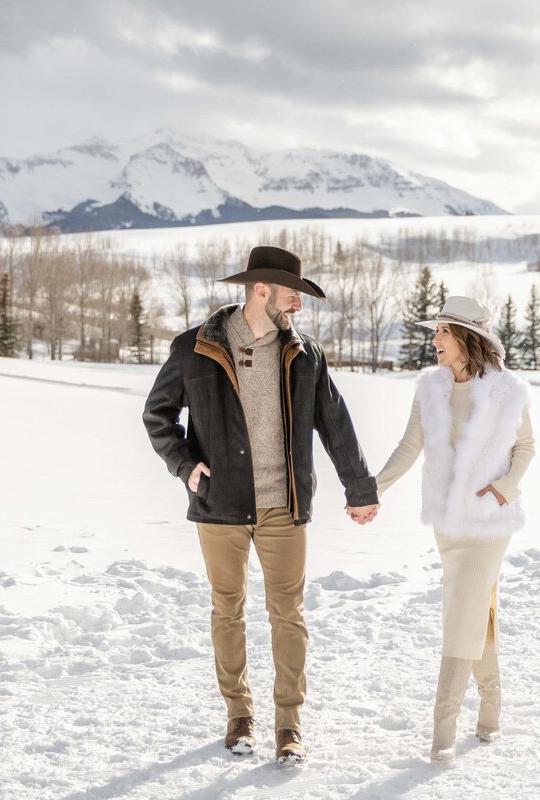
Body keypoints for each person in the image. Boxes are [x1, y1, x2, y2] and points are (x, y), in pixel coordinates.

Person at [143, 245, 379, 765]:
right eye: (292, 292)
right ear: (261, 290)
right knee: (227, 611)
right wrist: (186, 466)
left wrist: (359, 490)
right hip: (220, 506)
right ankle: (239, 715)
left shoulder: (305, 356)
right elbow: (158, 416)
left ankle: (289, 725)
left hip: (284, 506)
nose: (298, 303)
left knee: (288, 616)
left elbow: (336, 424)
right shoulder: (194, 348)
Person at [374, 295, 534, 762]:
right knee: (474, 612)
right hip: (448, 526)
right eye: (435, 330)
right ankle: (491, 710)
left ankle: (442, 733)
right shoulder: (430, 389)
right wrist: (372, 489)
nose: (435, 339)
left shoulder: (508, 390)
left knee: (459, 616)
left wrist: (505, 487)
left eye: (443, 331)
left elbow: (526, 447)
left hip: (488, 524)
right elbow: (409, 447)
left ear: (468, 338)